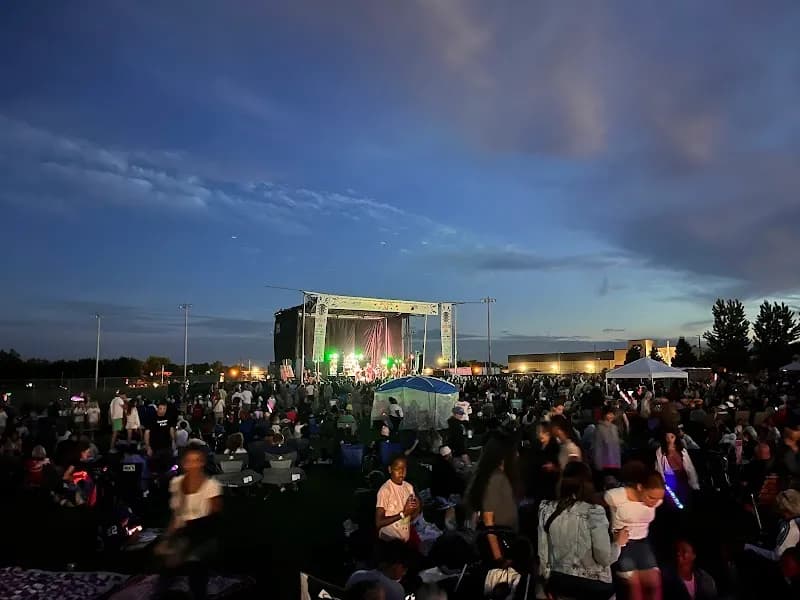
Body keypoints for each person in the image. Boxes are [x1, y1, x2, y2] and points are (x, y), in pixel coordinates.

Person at [538, 462, 625, 600]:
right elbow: (603, 558)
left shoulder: (546, 509)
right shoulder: (594, 512)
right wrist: (618, 543)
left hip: (560, 583)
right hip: (592, 585)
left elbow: (543, 554)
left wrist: (547, 582)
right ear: (587, 483)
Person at [154, 444, 222, 600]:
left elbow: (213, 521)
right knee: (167, 564)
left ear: (203, 462)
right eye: (189, 461)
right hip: (183, 531)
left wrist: (186, 543)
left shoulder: (211, 486)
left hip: (202, 533)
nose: (193, 465)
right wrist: (166, 538)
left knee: (194, 563)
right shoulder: (177, 483)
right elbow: (176, 515)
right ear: (184, 463)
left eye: (197, 460)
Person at [605, 466, 665, 600]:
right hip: (623, 545)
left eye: (658, 499)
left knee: (655, 583)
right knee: (634, 585)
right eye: (651, 497)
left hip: (642, 544)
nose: (655, 502)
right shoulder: (616, 496)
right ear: (639, 487)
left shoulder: (657, 501)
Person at [466, 433, 520, 566]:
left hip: (503, 539)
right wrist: (499, 558)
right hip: (499, 543)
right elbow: (488, 521)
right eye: (514, 451)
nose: (517, 455)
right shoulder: (495, 478)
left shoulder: (498, 476)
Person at [346, 539, 412, 600]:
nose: (404, 572)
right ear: (396, 565)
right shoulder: (398, 590)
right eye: (404, 568)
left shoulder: (357, 575)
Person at [744, 489, 800, 561]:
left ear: (787, 510)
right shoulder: (787, 521)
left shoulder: (791, 525)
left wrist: (748, 547)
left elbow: (776, 556)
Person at [375, 455, 420, 543]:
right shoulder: (385, 490)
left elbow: (410, 517)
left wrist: (417, 509)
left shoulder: (409, 487)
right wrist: (403, 514)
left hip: (403, 538)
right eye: (397, 468)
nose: (401, 472)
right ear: (390, 469)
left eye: (404, 468)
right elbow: (378, 523)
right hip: (388, 538)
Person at [655, 429, 699, 506]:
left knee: (685, 499)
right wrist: (662, 481)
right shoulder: (661, 451)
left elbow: (689, 467)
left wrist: (694, 483)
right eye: (667, 437)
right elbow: (659, 467)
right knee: (672, 501)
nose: (669, 440)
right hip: (670, 478)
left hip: (682, 477)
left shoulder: (682, 450)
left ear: (675, 437)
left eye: (672, 437)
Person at [145, 400, 176, 472]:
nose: (162, 410)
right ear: (157, 409)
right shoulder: (152, 418)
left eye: (164, 409)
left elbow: (171, 429)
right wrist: (148, 447)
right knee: (156, 469)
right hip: (155, 448)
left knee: (168, 469)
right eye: (161, 408)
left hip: (167, 447)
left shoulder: (169, 417)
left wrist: (174, 440)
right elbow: (147, 433)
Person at [593, 406, 621, 482]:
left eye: (612, 414)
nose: (611, 416)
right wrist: (598, 465)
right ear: (604, 415)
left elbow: (617, 447)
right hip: (604, 464)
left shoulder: (614, 427)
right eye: (609, 414)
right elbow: (597, 447)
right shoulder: (599, 428)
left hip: (615, 462)